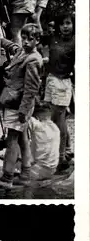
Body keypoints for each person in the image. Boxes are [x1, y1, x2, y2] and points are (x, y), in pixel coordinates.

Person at [0, 24, 43, 189]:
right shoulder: (23, 51)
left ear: (38, 40)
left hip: (19, 104)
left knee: (12, 139)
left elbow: (31, 89)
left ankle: (7, 177)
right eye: (24, 38)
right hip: (17, 104)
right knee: (22, 138)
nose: (26, 42)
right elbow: (11, 45)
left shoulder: (33, 58)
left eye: (30, 39)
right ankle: (25, 174)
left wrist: (23, 110)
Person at [43, 13, 75, 172]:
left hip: (63, 82)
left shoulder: (76, 42)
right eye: (62, 24)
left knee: (58, 120)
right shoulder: (53, 38)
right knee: (58, 117)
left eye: (68, 23)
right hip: (51, 80)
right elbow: (38, 40)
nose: (66, 27)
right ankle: (68, 150)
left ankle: (61, 158)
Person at [27, 102, 60, 181]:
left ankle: (4, 173)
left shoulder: (37, 125)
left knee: (23, 145)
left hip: (39, 171)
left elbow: (24, 117)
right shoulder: (56, 128)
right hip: (52, 169)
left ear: (37, 118)